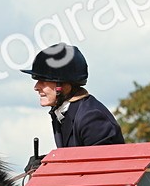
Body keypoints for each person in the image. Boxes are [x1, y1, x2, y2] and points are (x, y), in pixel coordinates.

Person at [21, 43, 124, 173]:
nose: (36, 87)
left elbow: (99, 171)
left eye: (43, 80)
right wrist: (46, 162)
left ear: (64, 85)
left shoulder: (92, 118)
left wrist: (51, 168)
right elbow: (76, 159)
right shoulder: (64, 111)